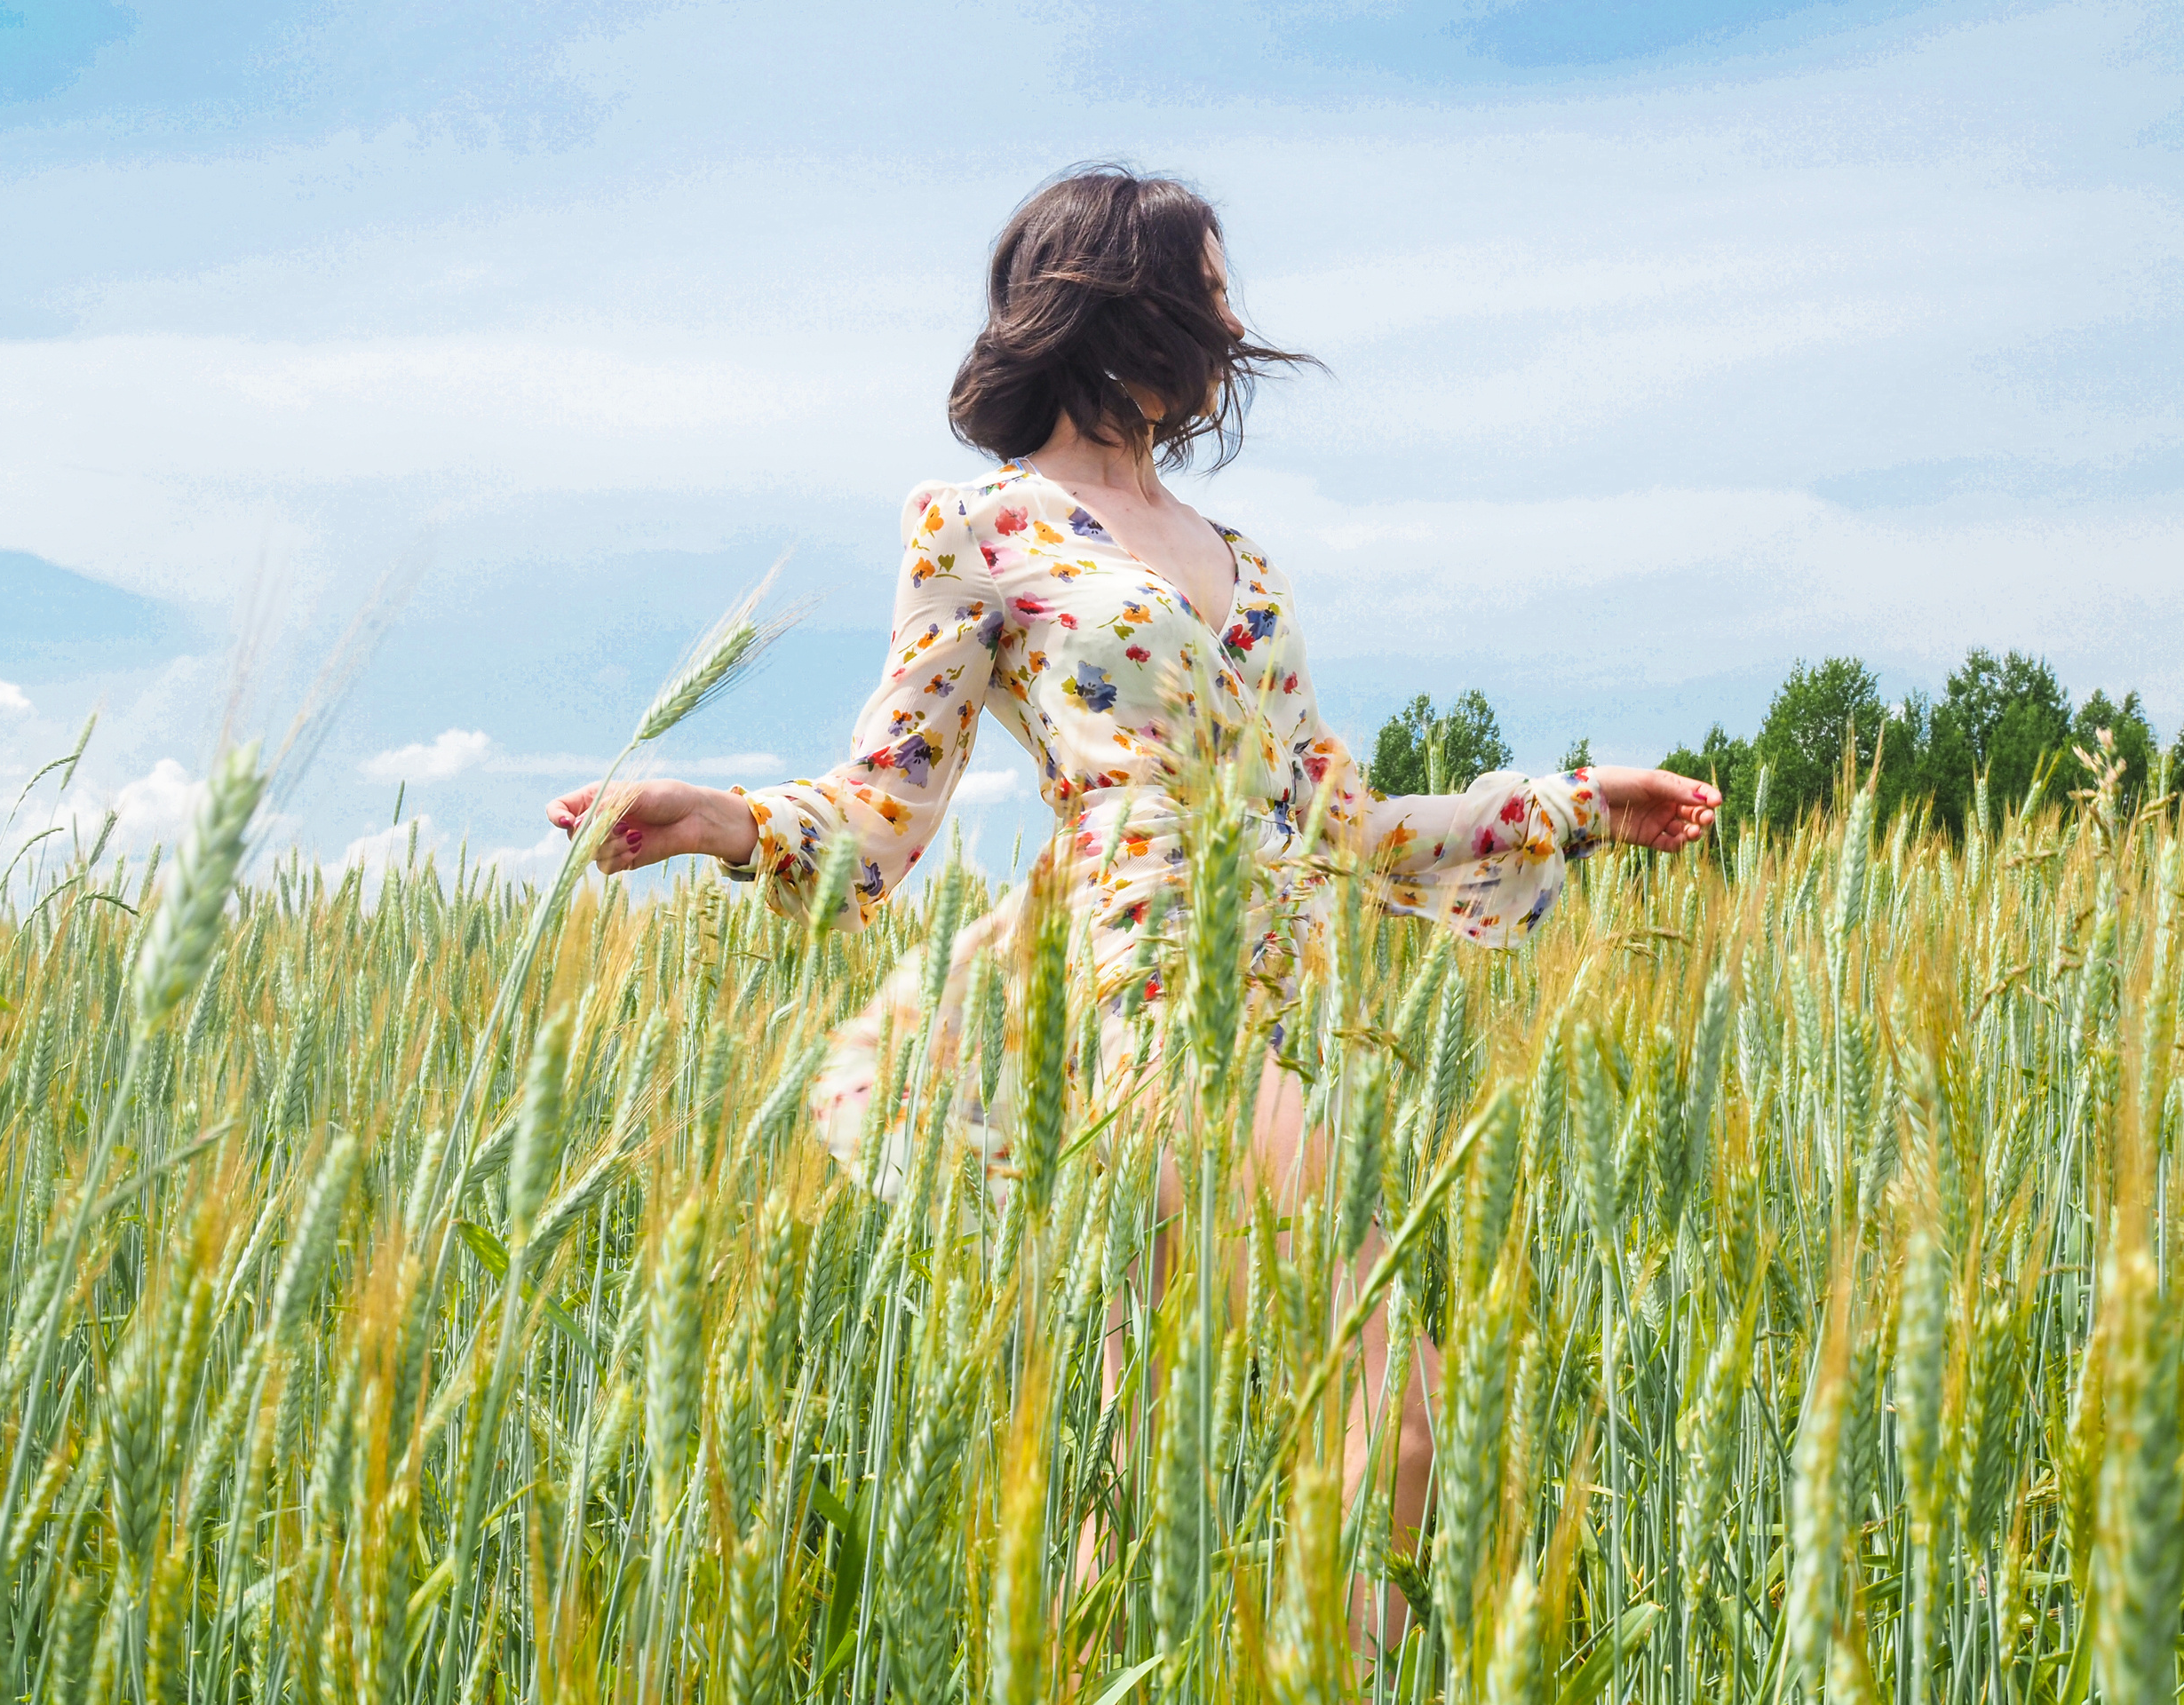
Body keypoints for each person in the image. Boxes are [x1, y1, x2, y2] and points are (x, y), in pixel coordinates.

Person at [547, 164, 1718, 1622]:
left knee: (1130, 1462)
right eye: (1206, 288)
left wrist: (1576, 802)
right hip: (1137, 994)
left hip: (1281, 992)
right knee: (1405, 1417)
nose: (1232, 323)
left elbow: (1347, 822)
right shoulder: (979, 524)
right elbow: (884, 805)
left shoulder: (1243, 562)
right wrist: (722, 820)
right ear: (1119, 297)